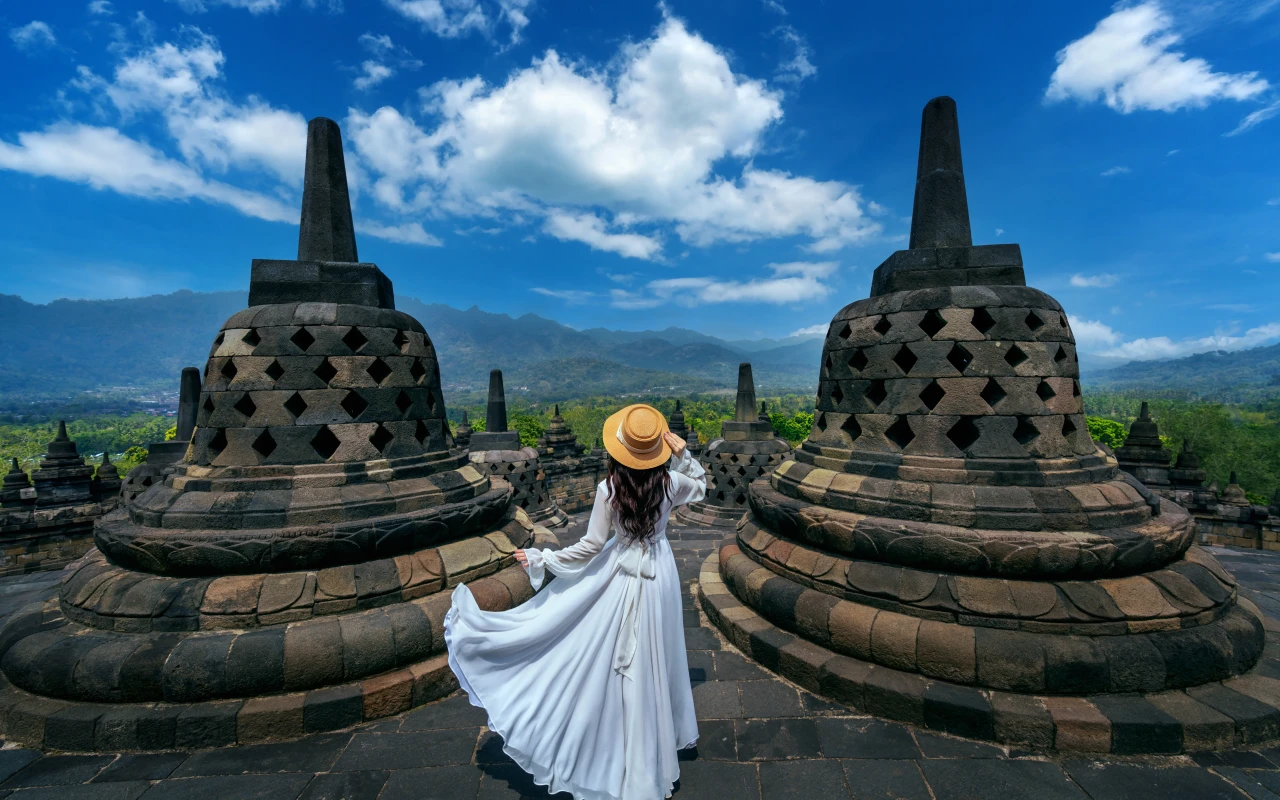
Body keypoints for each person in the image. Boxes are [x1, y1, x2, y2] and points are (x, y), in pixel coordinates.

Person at [444, 403, 707, 800]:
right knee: (656, 652)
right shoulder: (673, 484)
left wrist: (543, 558)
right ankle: (648, 741)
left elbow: (590, 547)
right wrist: (684, 454)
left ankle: (614, 739)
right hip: (659, 573)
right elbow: (702, 485)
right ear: (657, 449)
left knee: (613, 656)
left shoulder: (609, 490)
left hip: (620, 572)